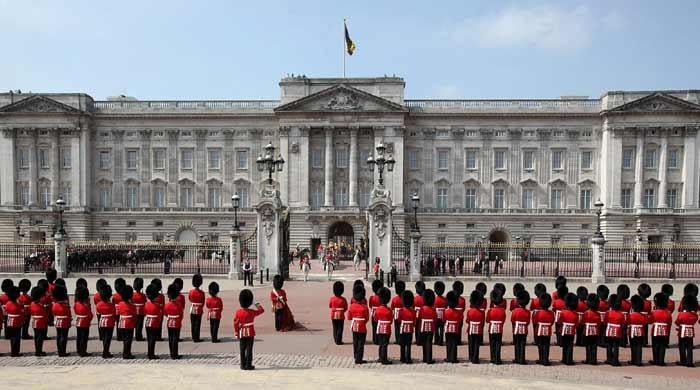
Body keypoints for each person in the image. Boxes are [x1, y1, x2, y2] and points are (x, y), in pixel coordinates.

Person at [234, 289, 265, 370]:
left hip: (241, 332)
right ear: (249, 301)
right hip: (250, 333)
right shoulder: (251, 312)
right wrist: (255, 302)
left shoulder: (238, 312)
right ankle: (248, 365)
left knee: (242, 349)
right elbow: (261, 310)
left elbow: (235, 323)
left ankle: (242, 364)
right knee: (249, 349)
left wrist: (236, 332)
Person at [348, 284, 370, 364]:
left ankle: (355, 355)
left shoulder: (352, 306)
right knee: (361, 343)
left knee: (355, 341)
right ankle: (359, 358)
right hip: (362, 326)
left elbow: (349, 317)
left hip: (354, 326)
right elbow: (367, 318)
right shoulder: (364, 307)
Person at [649, 292, 672, 366]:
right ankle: (661, 361)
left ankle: (656, 360)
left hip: (655, 330)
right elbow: (669, 323)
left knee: (655, 346)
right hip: (664, 331)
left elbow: (650, 321)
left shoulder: (654, 312)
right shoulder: (668, 313)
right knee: (662, 346)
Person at [675, 294, 698, 367]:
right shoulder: (695, 315)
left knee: (682, 346)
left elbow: (677, 322)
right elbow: (694, 321)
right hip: (690, 331)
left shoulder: (682, 314)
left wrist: (679, 325)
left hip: (682, 331)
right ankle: (689, 362)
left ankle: (683, 361)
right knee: (689, 347)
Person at [533, 293, 554, 366]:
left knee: (540, 345)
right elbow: (552, 322)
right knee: (547, 345)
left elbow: (535, 322)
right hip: (547, 331)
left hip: (539, 331)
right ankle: (546, 359)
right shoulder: (551, 313)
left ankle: (541, 359)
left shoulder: (538, 313)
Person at [374, 287, 393, 365]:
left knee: (381, 343)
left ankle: (380, 357)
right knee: (385, 344)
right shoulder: (389, 310)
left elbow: (375, 319)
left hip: (379, 328)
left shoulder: (377, 309)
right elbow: (391, 321)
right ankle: (384, 359)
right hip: (387, 328)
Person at [604, 294, 624, 366]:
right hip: (618, 331)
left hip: (609, 330)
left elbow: (605, 322)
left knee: (609, 345)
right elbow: (622, 323)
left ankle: (609, 359)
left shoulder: (608, 313)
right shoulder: (621, 314)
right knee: (616, 346)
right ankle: (615, 360)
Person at [558, 293, 578, 366]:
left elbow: (560, 322)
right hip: (571, 331)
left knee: (565, 345)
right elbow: (576, 324)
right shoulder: (576, 314)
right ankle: (569, 360)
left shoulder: (563, 312)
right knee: (570, 346)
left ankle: (564, 359)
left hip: (564, 331)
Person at [486, 289, 506, 365]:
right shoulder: (502, 311)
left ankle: (493, 358)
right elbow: (503, 320)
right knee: (498, 343)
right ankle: (498, 358)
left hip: (491, 329)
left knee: (492, 344)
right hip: (499, 329)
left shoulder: (490, 311)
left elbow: (487, 320)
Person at [51, 285, 71, 357]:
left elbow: (53, 313)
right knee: (63, 337)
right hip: (64, 322)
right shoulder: (65, 305)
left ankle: (59, 350)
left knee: (58, 336)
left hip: (57, 321)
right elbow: (68, 314)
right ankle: (63, 351)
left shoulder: (54, 305)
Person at [511, 290, 531, 365]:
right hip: (524, 330)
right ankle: (522, 359)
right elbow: (528, 322)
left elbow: (512, 320)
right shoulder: (528, 312)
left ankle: (517, 358)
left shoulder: (515, 311)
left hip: (516, 329)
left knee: (517, 344)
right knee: (523, 344)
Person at [164, 283, 183, 359]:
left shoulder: (167, 305)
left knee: (170, 338)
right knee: (175, 338)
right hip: (177, 322)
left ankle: (171, 353)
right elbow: (181, 315)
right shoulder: (179, 305)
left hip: (169, 322)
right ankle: (175, 354)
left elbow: (165, 313)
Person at [96, 284, 116, 358]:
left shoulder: (98, 304)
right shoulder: (111, 305)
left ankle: (105, 350)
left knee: (104, 338)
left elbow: (98, 313)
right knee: (108, 338)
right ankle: (105, 352)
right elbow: (114, 314)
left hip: (102, 322)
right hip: (109, 322)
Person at [117, 285, 136, 359]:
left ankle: (126, 352)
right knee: (128, 339)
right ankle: (127, 353)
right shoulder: (132, 306)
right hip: (129, 324)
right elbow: (134, 316)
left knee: (125, 339)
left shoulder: (120, 304)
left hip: (122, 323)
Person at [418, 289, 436, 364]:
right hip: (430, 327)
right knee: (429, 343)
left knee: (424, 343)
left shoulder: (422, 309)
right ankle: (429, 358)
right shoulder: (433, 310)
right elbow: (435, 319)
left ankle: (425, 357)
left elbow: (419, 318)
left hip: (422, 327)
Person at [443, 291, 462, 363]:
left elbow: (444, 320)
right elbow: (459, 321)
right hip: (455, 329)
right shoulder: (459, 312)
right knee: (454, 343)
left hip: (448, 329)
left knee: (448, 343)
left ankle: (448, 357)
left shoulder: (445, 311)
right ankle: (454, 358)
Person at [466, 290, 485, 364]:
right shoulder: (482, 312)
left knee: (471, 343)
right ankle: (475, 358)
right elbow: (482, 322)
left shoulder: (470, 311)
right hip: (478, 330)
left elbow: (467, 321)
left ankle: (470, 357)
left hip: (470, 329)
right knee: (477, 344)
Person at [144, 283, 162, 359]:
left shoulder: (146, 304)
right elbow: (159, 315)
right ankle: (151, 354)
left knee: (149, 339)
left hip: (147, 322)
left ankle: (149, 352)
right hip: (154, 323)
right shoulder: (157, 305)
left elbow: (145, 312)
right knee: (152, 339)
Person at [74, 285, 93, 357]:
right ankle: (83, 351)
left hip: (78, 321)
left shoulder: (76, 304)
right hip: (85, 322)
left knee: (79, 337)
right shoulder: (85, 305)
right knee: (84, 338)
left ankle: (79, 350)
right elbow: (90, 315)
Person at [582, 293, 601, 365]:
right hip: (595, 331)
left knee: (588, 346)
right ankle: (593, 360)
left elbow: (583, 322)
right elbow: (599, 323)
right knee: (594, 346)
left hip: (587, 331)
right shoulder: (598, 314)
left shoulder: (586, 313)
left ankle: (588, 359)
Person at [628, 295, 647, 366]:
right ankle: (639, 361)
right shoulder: (643, 316)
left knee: (633, 346)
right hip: (640, 332)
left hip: (632, 332)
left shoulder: (631, 315)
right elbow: (645, 323)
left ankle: (633, 360)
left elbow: (627, 322)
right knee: (639, 346)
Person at [29, 286, 48, 356]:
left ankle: (38, 350)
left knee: (37, 337)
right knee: (40, 337)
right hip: (40, 322)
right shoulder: (40, 306)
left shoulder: (32, 304)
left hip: (34, 322)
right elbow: (44, 315)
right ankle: (38, 351)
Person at [397, 290, 415, 363]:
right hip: (410, 330)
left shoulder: (401, 311)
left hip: (402, 329)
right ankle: (408, 358)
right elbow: (414, 322)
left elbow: (398, 320)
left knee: (402, 344)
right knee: (408, 344)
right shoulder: (413, 311)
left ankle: (402, 357)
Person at [5, 285, 23, 356]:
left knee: (12, 337)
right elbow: (21, 313)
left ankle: (13, 351)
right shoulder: (17, 304)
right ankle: (16, 352)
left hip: (10, 321)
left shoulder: (8, 303)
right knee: (17, 337)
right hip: (17, 322)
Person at [189, 274, 205, 343]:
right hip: (199, 309)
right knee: (197, 324)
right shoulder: (202, 293)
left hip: (192, 308)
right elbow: (203, 301)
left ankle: (193, 336)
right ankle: (196, 337)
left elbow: (190, 299)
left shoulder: (191, 292)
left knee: (193, 323)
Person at [391, 281, 406, 345]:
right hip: (403, 314)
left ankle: (397, 340)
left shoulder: (395, 299)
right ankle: (402, 339)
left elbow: (392, 307)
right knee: (402, 327)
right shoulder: (404, 298)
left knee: (397, 328)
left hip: (397, 315)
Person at [369, 279, 383, 345]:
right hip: (380, 313)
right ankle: (379, 339)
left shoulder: (372, 298)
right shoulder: (381, 297)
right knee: (379, 326)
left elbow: (370, 305)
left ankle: (374, 339)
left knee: (374, 326)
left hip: (374, 314)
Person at [433, 281, 447, 346]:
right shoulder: (445, 299)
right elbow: (446, 306)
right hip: (443, 315)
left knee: (436, 328)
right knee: (441, 328)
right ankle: (441, 340)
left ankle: (436, 339)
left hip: (436, 315)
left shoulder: (434, 299)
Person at [413, 281, 425, 346]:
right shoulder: (424, 298)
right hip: (423, 314)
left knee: (417, 328)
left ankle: (417, 340)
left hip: (417, 314)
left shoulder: (415, 298)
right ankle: (422, 340)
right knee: (421, 328)